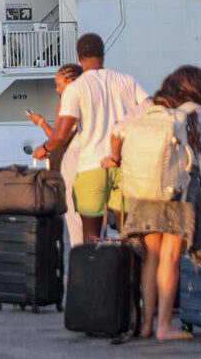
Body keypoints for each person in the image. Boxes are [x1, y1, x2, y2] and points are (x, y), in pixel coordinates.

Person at [102, 65, 201, 341]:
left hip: (144, 189)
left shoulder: (148, 107)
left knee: (150, 257)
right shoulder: (194, 113)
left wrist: (117, 159)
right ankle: (165, 326)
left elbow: (116, 133)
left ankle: (145, 325)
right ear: (194, 87)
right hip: (178, 191)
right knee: (170, 258)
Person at [32, 33, 148, 244]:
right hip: (123, 164)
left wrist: (44, 147)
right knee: (129, 231)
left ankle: (91, 271)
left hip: (91, 166)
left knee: (90, 233)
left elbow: (61, 134)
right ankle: (129, 272)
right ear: (102, 55)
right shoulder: (127, 81)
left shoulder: (76, 88)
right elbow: (150, 109)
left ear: (79, 57)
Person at [27, 62, 83, 246]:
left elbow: (59, 137)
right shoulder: (90, 96)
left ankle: (79, 256)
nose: (57, 89)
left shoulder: (68, 100)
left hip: (73, 159)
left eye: (58, 84)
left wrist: (41, 123)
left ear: (69, 81)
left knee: (74, 215)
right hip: (92, 158)